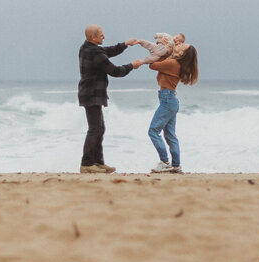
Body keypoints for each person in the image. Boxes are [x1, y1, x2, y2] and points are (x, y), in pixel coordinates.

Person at [78, 24, 142, 173]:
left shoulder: (86, 47)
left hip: (91, 93)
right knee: (95, 129)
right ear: (93, 37)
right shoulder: (95, 53)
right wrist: (132, 66)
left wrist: (125, 44)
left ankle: (98, 162)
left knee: (100, 128)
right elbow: (115, 71)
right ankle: (87, 164)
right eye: (101, 35)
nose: (104, 37)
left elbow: (108, 51)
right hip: (92, 93)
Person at [133, 40, 199, 173]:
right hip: (170, 100)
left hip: (168, 100)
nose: (179, 45)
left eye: (182, 46)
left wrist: (161, 52)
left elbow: (153, 65)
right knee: (170, 135)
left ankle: (164, 162)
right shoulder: (175, 63)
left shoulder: (172, 63)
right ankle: (176, 165)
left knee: (153, 131)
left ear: (182, 54)